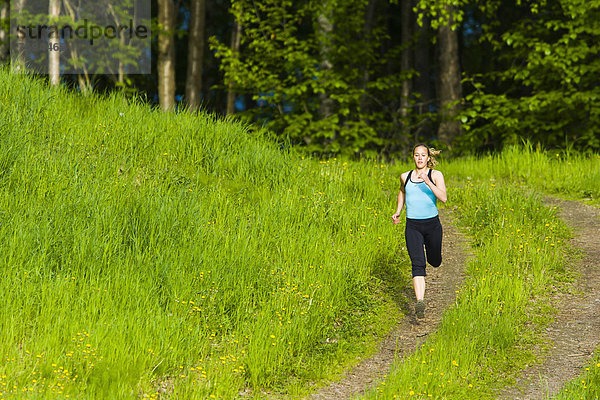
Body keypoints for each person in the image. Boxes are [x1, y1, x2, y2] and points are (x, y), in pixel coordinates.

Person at [391, 144, 447, 319]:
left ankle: (434, 259)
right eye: (417, 155)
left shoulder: (435, 175)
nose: (420, 158)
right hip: (413, 226)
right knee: (417, 263)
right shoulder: (405, 176)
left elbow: (444, 198)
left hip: (432, 226)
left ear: (429, 158)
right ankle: (420, 301)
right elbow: (402, 192)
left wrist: (428, 182)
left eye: (423, 155)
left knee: (435, 261)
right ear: (413, 157)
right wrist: (398, 210)